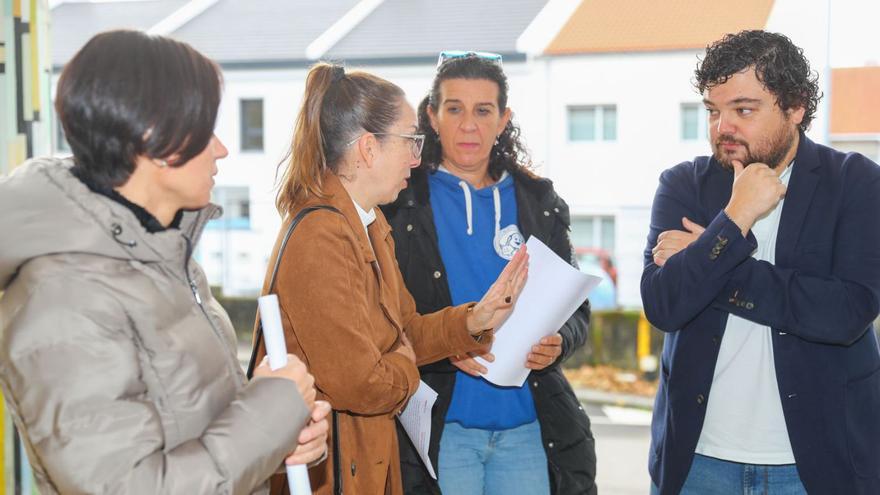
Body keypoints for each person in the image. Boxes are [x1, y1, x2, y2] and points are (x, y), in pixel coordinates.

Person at [0, 30, 329, 494]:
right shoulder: (61, 300)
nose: (221, 149)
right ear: (157, 139)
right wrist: (272, 410)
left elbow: (195, 433)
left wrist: (281, 437)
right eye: (205, 129)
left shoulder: (162, 251)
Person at [254, 62, 529, 495]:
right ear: (368, 148)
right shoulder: (321, 235)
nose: (417, 158)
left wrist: (477, 319)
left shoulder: (369, 222)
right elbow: (361, 384)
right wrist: (403, 365)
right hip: (339, 471)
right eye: (410, 141)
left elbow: (408, 331)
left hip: (367, 463)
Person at [643, 30, 880, 495]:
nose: (722, 127)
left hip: (818, 465)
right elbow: (664, 305)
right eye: (713, 110)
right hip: (698, 463)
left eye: (743, 110)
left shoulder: (856, 183)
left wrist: (711, 257)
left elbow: (845, 314)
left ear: (796, 107)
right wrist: (736, 218)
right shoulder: (682, 185)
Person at [381, 52, 597, 495]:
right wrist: (445, 345)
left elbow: (576, 309)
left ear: (503, 119)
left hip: (529, 432)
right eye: (454, 108)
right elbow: (382, 321)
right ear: (432, 117)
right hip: (445, 432)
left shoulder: (539, 201)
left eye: (484, 111)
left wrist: (559, 343)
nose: (468, 125)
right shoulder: (399, 203)